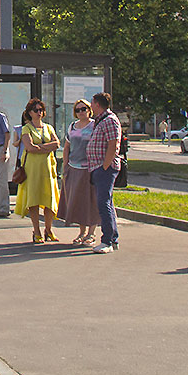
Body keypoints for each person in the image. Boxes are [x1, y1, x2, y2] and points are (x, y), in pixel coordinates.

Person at [14, 98, 60, 242]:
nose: (39, 113)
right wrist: (47, 146)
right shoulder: (26, 128)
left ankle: (48, 229)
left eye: (41, 110)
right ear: (29, 113)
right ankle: (37, 231)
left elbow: (57, 144)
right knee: (34, 199)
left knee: (49, 199)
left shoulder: (48, 128)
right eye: (36, 110)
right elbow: (29, 147)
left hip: (48, 168)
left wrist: (40, 148)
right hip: (32, 169)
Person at [57, 98, 100, 245]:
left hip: (90, 168)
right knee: (78, 201)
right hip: (74, 168)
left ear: (89, 110)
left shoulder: (95, 125)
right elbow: (67, 147)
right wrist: (65, 166)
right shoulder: (72, 126)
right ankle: (82, 232)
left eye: (84, 109)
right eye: (78, 110)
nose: (81, 112)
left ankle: (91, 233)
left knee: (91, 200)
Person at [86, 92, 121, 254]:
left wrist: (105, 166)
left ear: (98, 104)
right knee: (107, 202)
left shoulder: (110, 120)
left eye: (92, 103)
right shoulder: (100, 120)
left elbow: (113, 145)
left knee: (103, 203)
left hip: (104, 168)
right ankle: (113, 238)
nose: (90, 107)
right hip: (97, 167)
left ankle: (106, 240)